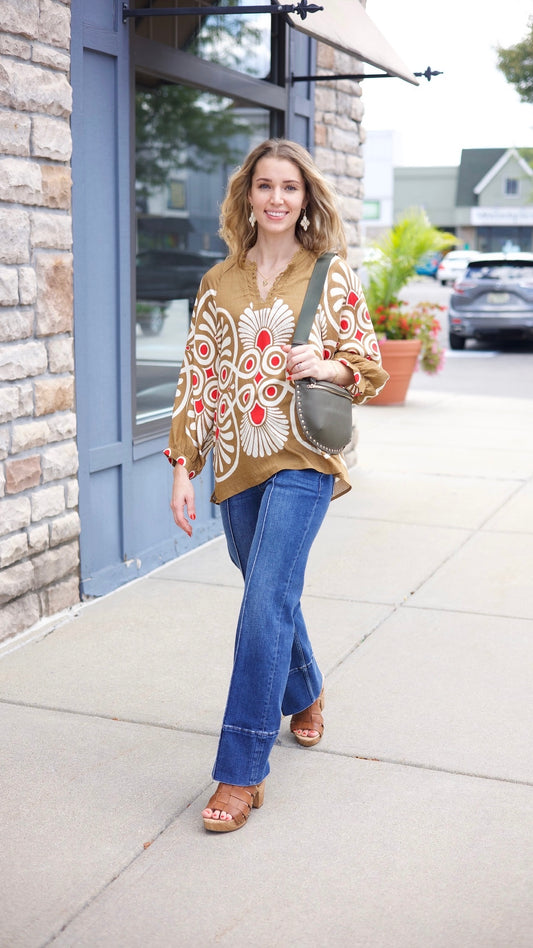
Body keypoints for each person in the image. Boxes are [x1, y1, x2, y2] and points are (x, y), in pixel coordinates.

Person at [166, 138, 388, 833]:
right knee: (269, 592)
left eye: (288, 188)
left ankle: (241, 771)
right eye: (264, 186)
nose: (275, 198)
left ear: (304, 199)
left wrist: (326, 366)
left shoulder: (331, 273)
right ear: (247, 197)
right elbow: (198, 375)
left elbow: (368, 364)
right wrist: (183, 464)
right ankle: (307, 689)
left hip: (302, 457)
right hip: (235, 461)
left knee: (264, 600)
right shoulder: (217, 281)